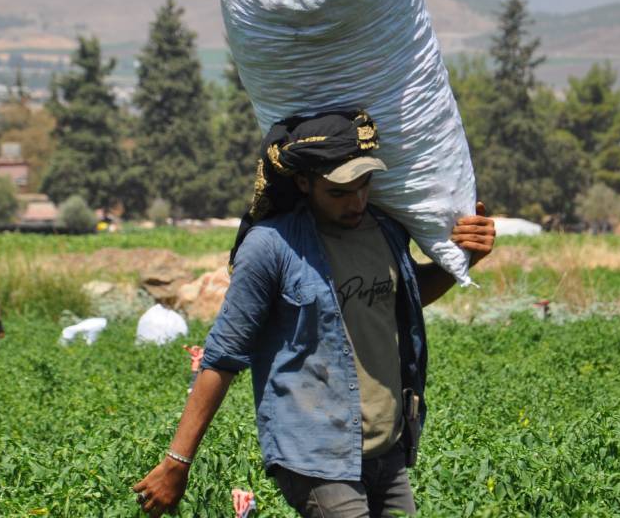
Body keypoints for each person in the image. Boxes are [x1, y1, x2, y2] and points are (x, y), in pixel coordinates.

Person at [133, 110, 495, 517]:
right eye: (338, 192)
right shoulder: (271, 247)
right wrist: (177, 462)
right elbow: (223, 355)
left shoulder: (385, 230)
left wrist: (464, 259)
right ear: (304, 183)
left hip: (388, 449)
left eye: (363, 185)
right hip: (316, 456)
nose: (356, 201)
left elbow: (403, 297)